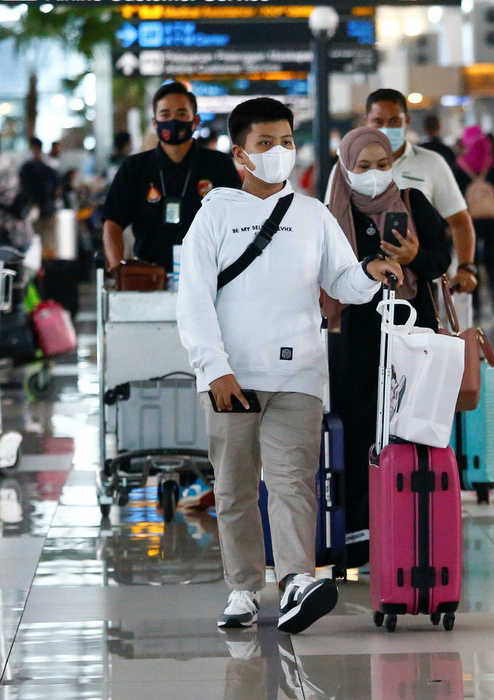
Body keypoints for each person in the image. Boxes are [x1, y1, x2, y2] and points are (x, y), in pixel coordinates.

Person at [176, 97, 401, 634]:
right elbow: (193, 300)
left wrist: (371, 271)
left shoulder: (312, 214)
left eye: (286, 141)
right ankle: (243, 587)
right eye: (264, 144)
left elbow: (341, 282)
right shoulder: (215, 215)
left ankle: (297, 579)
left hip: (299, 371)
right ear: (240, 154)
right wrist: (214, 369)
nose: (278, 152)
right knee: (232, 489)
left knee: (293, 482)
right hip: (232, 375)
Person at [324, 126, 451, 569]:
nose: (374, 175)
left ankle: (412, 525)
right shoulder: (331, 214)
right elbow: (323, 271)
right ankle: (359, 538)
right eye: (363, 167)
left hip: (413, 333)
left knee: (413, 425)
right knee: (358, 429)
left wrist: (415, 257)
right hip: (355, 337)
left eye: (382, 165)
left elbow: (442, 259)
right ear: (346, 167)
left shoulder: (413, 203)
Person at [325, 89, 476, 294]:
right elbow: (332, 224)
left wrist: (465, 267)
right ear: (366, 121)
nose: (386, 129)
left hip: (413, 290)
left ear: (406, 120)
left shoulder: (430, 165)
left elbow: (458, 221)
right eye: (378, 121)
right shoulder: (344, 169)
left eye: (394, 121)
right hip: (354, 295)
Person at [102, 81, 242, 273]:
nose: (173, 120)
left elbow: (238, 220)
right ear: (155, 122)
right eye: (165, 114)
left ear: (195, 121)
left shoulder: (219, 164)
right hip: (150, 277)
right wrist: (118, 268)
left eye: (181, 114)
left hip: (210, 275)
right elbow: (112, 223)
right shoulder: (135, 167)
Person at [453, 126, 494, 316]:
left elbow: (455, 199)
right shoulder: (492, 164)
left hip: (469, 221)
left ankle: (475, 304)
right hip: (492, 221)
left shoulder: (460, 166)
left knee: (472, 261)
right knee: (492, 259)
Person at [17, 137, 60, 255]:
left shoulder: (26, 168)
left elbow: (22, 188)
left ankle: (38, 270)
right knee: (48, 244)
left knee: (32, 246)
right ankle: (47, 270)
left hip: (33, 209)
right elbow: (57, 190)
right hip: (46, 209)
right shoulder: (49, 166)